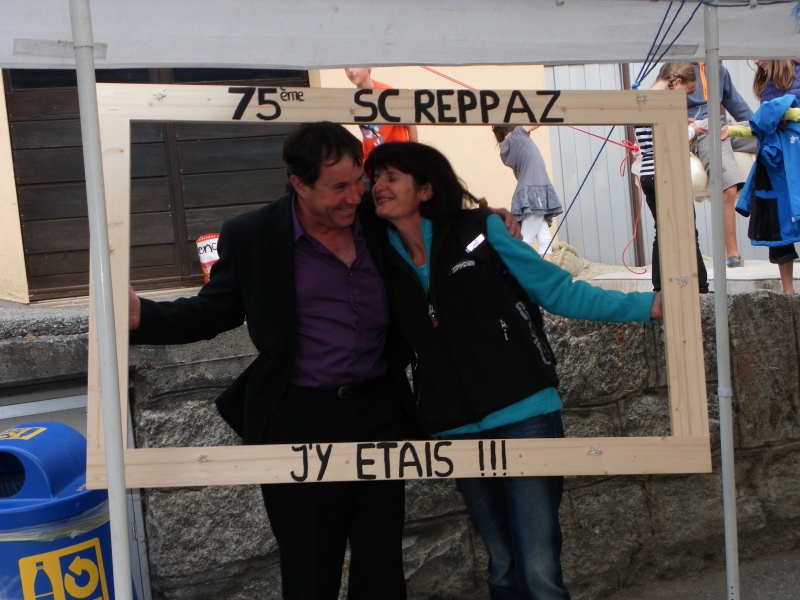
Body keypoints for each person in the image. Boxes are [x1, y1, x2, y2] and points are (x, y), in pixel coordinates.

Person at [128, 122, 417, 599]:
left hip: (379, 411)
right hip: (300, 419)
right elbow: (212, 311)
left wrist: (494, 224)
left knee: (382, 563)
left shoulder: (376, 216)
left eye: (359, 181)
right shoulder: (253, 234)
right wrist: (144, 317)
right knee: (310, 568)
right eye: (338, 187)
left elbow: (440, 215)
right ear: (299, 184)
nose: (354, 196)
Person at [363, 141, 663, 600]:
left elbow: (558, 291)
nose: (377, 187)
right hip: (454, 426)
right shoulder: (376, 254)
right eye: (374, 179)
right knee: (502, 567)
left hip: (525, 412)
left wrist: (646, 306)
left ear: (425, 189)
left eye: (391, 178)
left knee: (539, 570)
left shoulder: (481, 229)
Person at [634, 63, 710, 294]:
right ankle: (700, 287)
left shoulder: (642, 98)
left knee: (662, 232)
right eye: (685, 93)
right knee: (687, 231)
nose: (684, 100)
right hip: (666, 173)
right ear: (677, 82)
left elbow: (650, 134)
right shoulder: (660, 101)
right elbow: (666, 139)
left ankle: (660, 289)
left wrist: (681, 123)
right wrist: (692, 131)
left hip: (648, 174)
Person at [735, 60, 800, 294]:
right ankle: (788, 292)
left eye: (759, 55)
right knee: (778, 229)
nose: (755, 61)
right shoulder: (764, 81)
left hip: (794, 156)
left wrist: (786, 112)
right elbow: (762, 123)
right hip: (774, 165)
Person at [687, 61, 755, 268]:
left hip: (724, 126)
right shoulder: (677, 68)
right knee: (729, 185)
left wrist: (761, 126)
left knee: (776, 139)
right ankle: (733, 253)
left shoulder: (718, 69)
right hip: (702, 131)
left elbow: (737, 105)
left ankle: (782, 244)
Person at [492, 124, 563, 262]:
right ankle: (523, 270)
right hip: (535, 191)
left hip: (527, 192)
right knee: (526, 238)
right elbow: (537, 121)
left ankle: (546, 272)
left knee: (545, 239)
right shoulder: (518, 134)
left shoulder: (506, 147)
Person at [344, 67, 418, 158]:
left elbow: (411, 125)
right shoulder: (354, 98)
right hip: (373, 158)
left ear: (369, 67)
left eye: (355, 66)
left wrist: (413, 155)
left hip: (396, 155)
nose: (351, 71)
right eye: (346, 68)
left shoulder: (386, 92)